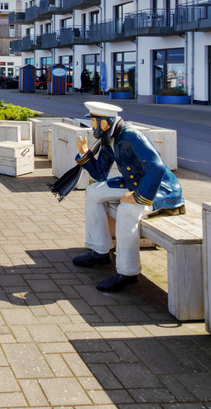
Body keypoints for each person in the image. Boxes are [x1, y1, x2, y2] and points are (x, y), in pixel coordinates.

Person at [70, 101, 185, 292]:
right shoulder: (109, 139)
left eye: (93, 122)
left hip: (160, 189)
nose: (91, 126)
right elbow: (100, 174)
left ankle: (127, 272)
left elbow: (156, 168)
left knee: (126, 210)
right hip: (135, 183)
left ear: (105, 123)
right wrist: (84, 154)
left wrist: (140, 196)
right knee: (93, 192)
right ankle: (100, 250)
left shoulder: (131, 135)